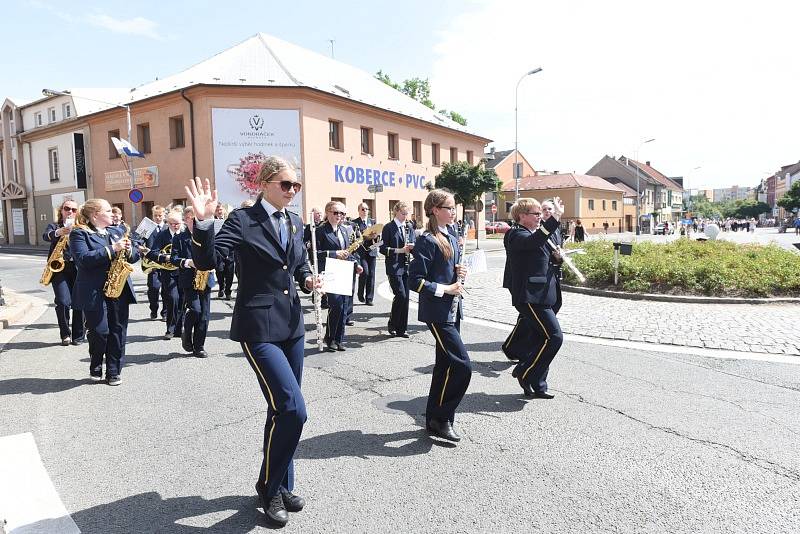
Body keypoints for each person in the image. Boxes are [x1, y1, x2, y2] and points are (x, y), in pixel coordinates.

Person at [185, 157, 317, 527]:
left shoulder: (293, 221)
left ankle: (282, 485)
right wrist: (204, 223)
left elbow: (298, 263)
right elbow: (207, 260)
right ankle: (268, 487)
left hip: (292, 326)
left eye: (297, 186)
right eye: (287, 185)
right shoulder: (242, 221)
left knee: (281, 411)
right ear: (265, 183)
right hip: (258, 328)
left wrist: (307, 279)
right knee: (293, 409)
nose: (293, 192)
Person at [409, 189, 470, 443]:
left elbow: (446, 270)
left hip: (453, 309)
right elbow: (415, 280)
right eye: (449, 208)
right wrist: (445, 288)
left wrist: (458, 272)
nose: (453, 212)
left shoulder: (452, 237)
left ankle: (435, 418)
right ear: (434, 209)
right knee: (463, 366)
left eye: (454, 208)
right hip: (437, 312)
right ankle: (442, 416)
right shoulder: (427, 240)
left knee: (444, 366)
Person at [70, 199, 139, 385]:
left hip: (119, 288)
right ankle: (96, 362)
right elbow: (83, 259)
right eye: (108, 211)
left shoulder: (116, 231)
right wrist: (112, 249)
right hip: (93, 290)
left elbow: (133, 257)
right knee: (100, 331)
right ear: (95, 215)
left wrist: (130, 249)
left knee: (118, 331)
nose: (113, 214)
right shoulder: (79, 234)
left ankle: (114, 371)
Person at [502, 196, 564, 399]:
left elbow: (544, 256)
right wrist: (555, 217)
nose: (540, 217)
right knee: (555, 337)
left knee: (541, 339)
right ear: (522, 216)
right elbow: (532, 243)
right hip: (530, 297)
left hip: (546, 295)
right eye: (536, 214)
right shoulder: (515, 234)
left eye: (540, 213)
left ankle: (538, 384)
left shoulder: (535, 232)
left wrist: (556, 259)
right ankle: (524, 372)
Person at [315, 201, 362, 351]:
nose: (339, 216)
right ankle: (330, 338)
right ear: (328, 212)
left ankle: (339, 339)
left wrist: (356, 264)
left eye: (342, 213)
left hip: (345, 269)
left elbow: (348, 251)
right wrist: (334, 253)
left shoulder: (345, 230)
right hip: (330, 270)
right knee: (336, 304)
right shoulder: (320, 231)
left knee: (344, 306)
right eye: (336, 213)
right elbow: (314, 254)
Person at [170, 206, 212, 358]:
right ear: (185, 220)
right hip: (189, 279)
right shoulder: (179, 238)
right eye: (191, 218)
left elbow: (217, 254)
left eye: (197, 218)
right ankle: (186, 333)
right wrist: (188, 262)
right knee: (195, 310)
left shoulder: (207, 235)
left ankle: (199, 346)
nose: (195, 221)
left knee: (204, 315)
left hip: (205, 279)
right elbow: (174, 259)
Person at [43, 199, 85, 346]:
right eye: (67, 208)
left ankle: (79, 335)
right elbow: (46, 235)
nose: (70, 212)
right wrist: (59, 232)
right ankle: (65, 334)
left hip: (78, 269)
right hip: (59, 269)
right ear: (61, 210)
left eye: (74, 210)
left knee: (79, 302)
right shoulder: (54, 226)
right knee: (62, 302)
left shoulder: (81, 227)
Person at [380, 201, 415, 338]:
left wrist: (413, 247)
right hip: (394, 267)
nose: (405, 216)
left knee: (406, 298)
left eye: (407, 214)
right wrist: (400, 250)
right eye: (403, 213)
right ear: (396, 212)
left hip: (406, 266)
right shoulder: (388, 227)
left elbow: (413, 243)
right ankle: (392, 323)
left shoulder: (409, 226)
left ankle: (402, 328)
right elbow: (383, 249)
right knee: (401, 295)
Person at [147, 211, 184, 340]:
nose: (175, 226)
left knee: (182, 301)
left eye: (178, 223)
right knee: (172, 299)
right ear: (168, 223)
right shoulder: (162, 235)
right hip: (168, 273)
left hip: (184, 272)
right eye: (172, 224)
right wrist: (165, 257)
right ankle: (170, 328)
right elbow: (153, 253)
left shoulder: (185, 235)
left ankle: (180, 328)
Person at [352, 202, 378, 306]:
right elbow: (354, 237)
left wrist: (376, 236)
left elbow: (377, 236)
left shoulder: (372, 221)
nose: (365, 211)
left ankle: (369, 298)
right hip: (361, 252)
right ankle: (360, 292)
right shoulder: (355, 223)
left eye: (367, 209)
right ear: (359, 210)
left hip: (372, 251)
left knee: (371, 274)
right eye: (363, 209)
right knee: (365, 272)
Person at [145, 205, 166, 320]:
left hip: (166, 263)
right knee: (153, 287)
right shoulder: (148, 227)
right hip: (152, 263)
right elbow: (138, 240)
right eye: (155, 216)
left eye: (160, 215)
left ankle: (165, 312)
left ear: (164, 215)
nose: (158, 218)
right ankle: (153, 309)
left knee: (167, 289)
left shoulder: (168, 227)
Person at [214, 204, 235, 300]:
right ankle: (221, 287)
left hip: (229, 250)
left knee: (230, 272)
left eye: (220, 209)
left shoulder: (229, 220)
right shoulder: (212, 221)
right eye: (217, 209)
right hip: (217, 249)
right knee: (220, 271)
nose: (219, 211)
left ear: (224, 210)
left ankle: (228, 291)